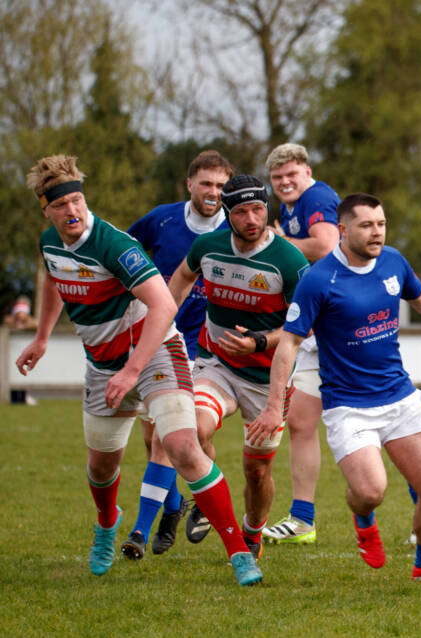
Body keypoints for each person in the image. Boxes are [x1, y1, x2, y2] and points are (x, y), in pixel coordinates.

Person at [15, 154, 260, 585]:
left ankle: (240, 554)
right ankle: (108, 524)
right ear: (46, 210)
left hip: (156, 353)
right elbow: (56, 278)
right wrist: (41, 337)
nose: (71, 211)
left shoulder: (115, 245)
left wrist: (132, 370)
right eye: (60, 205)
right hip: (102, 366)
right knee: (101, 469)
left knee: (183, 447)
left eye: (77, 201)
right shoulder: (50, 243)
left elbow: (164, 304)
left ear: (84, 200)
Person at [251, 192, 421, 584]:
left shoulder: (392, 261)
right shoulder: (319, 279)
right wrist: (273, 407)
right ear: (342, 229)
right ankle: (363, 517)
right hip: (349, 406)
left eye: (382, 224)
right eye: (367, 225)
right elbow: (288, 343)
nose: (377, 233)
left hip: (400, 396)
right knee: (371, 491)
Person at [164, 174, 309, 559]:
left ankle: (253, 530)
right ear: (227, 214)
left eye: (258, 209)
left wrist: (259, 341)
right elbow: (181, 278)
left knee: (257, 472)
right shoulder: (207, 247)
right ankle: (210, 493)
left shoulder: (289, 261)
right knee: (193, 429)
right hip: (217, 365)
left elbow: (302, 328)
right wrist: (160, 323)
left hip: (268, 378)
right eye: (241, 210)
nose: (251, 218)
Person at [121, 150, 231, 558]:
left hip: (202, 349)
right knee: (151, 437)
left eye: (221, 186)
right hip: (159, 338)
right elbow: (123, 254)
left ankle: (139, 532)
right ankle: (173, 506)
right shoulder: (162, 219)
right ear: (190, 184)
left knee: (171, 440)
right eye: (206, 184)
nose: (213, 193)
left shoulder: (234, 229)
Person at [260, 142, 340, 545]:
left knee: (379, 419)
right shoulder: (289, 208)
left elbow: (325, 245)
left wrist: (276, 243)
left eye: (291, 174)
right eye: (277, 178)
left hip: (342, 327)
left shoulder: (318, 196)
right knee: (302, 423)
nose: (285, 182)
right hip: (313, 323)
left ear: (307, 171)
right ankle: (303, 519)